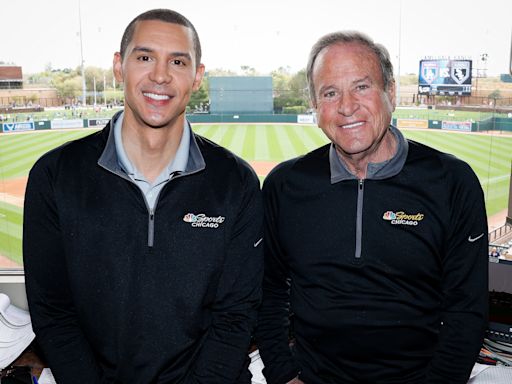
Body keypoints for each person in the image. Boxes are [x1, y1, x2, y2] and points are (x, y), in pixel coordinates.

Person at [23, 9, 263, 384]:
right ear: (119, 67)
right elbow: (53, 311)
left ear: (197, 76)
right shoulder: (55, 175)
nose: (161, 75)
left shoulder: (236, 181)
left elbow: (235, 315)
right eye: (145, 57)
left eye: (178, 61)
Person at [256, 31, 488, 384]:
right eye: (330, 93)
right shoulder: (284, 185)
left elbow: (466, 310)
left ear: (390, 93)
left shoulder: (452, 182)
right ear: (316, 107)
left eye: (361, 87)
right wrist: (283, 374)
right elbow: (269, 292)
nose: (347, 106)